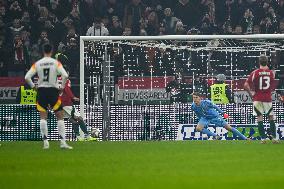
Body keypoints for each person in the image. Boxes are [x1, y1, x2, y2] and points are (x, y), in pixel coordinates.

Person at [25, 43, 73, 149]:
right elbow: (65, 75)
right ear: (51, 51)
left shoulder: (38, 63)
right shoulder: (56, 63)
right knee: (60, 116)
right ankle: (62, 142)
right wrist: (61, 86)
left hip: (41, 91)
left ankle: (45, 142)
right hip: (53, 91)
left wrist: (34, 86)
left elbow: (27, 77)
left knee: (43, 117)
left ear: (43, 51)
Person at [244, 55, 279, 144]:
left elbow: (245, 85)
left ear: (259, 62)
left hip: (257, 98)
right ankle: (274, 138)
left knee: (260, 118)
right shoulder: (271, 73)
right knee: (271, 117)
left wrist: (251, 93)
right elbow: (272, 86)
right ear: (267, 62)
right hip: (267, 98)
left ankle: (263, 139)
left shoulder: (255, 73)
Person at [58, 76, 97, 141]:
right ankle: (87, 136)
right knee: (79, 118)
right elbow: (66, 88)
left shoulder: (56, 80)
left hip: (60, 104)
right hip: (67, 103)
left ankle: (78, 137)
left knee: (74, 121)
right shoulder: (65, 79)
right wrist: (73, 97)